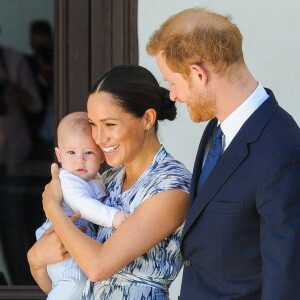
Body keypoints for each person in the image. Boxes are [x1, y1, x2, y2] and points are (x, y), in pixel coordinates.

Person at [146, 7, 300, 300]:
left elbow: (286, 276)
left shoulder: (282, 149)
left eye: (172, 82)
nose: (173, 95)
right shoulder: (217, 129)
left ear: (198, 73)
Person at [27, 65, 192, 299]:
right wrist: (35, 261)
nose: (99, 138)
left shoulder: (171, 186)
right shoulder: (108, 180)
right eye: (93, 124)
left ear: (147, 119)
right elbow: (65, 287)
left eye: (110, 125)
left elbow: (97, 267)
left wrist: (52, 207)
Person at [36, 111, 129, 299]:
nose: (80, 160)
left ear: (101, 157)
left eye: (88, 152)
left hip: (77, 239)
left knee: (79, 286)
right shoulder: (67, 179)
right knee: (73, 283)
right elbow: (83, 206)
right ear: (59, 155)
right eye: (71, 152)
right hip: (60, 239)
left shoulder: (98, 179)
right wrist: (114, 217)